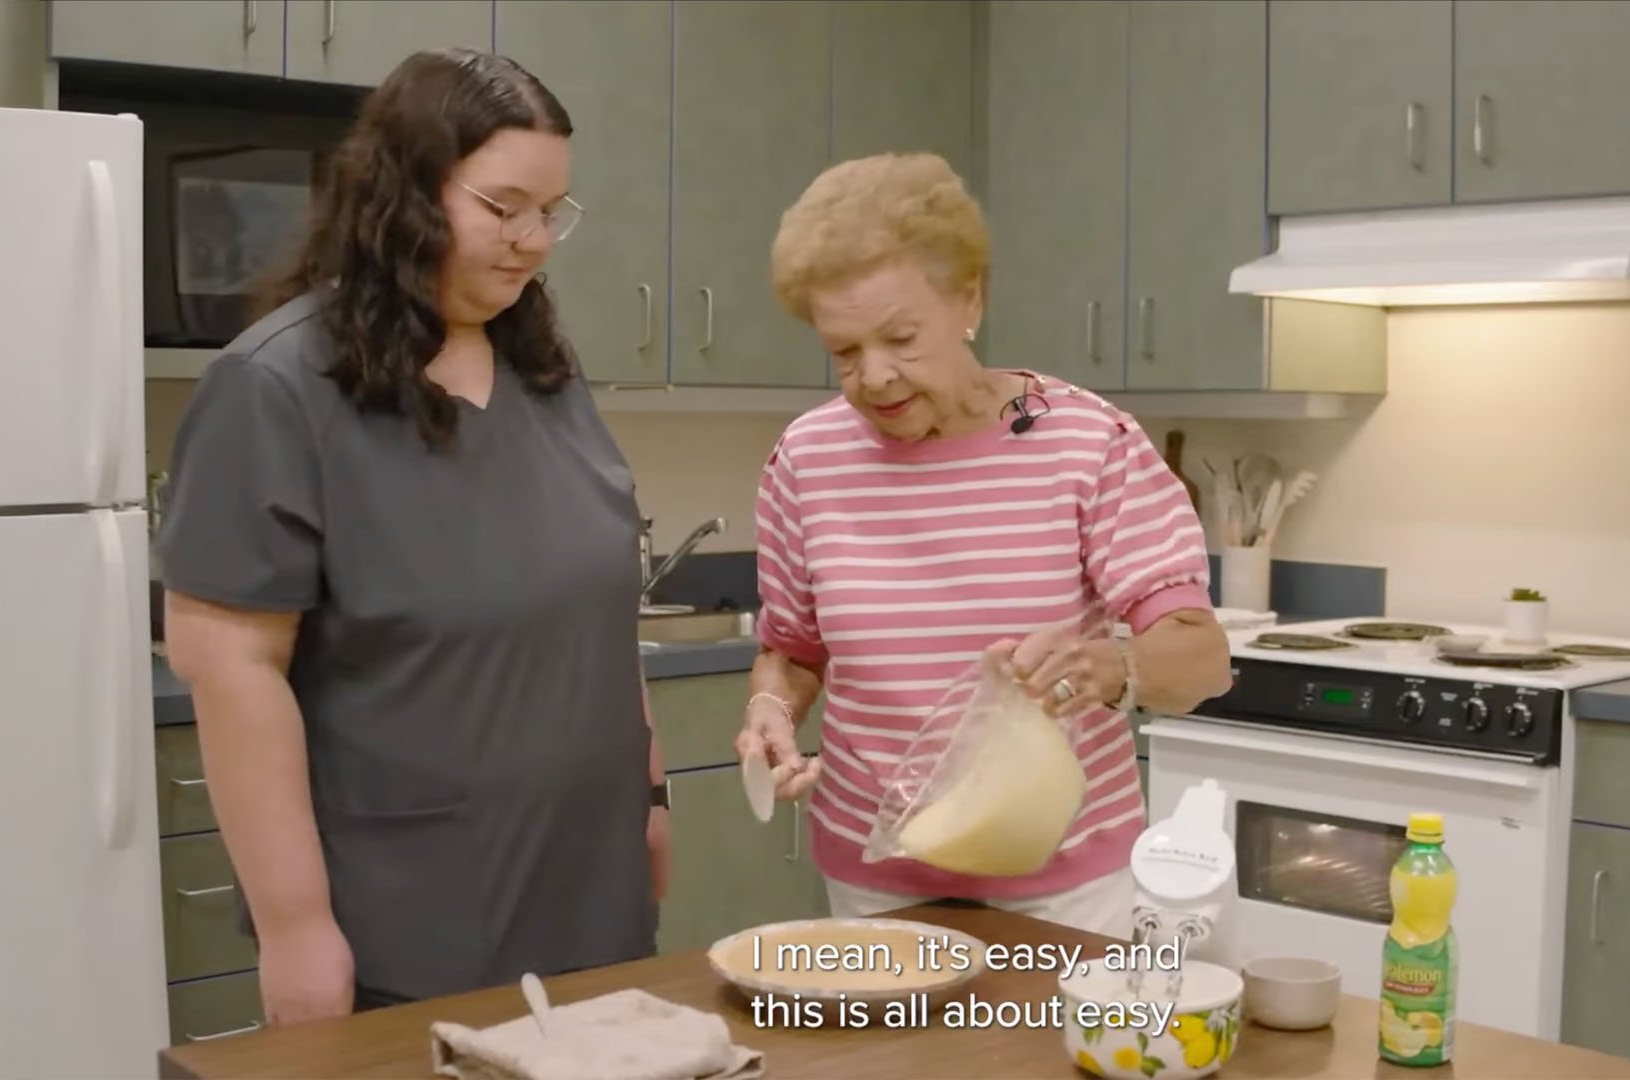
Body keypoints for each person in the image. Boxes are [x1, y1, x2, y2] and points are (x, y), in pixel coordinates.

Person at [156, 48, 669, 1026]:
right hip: (411, 923)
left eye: (551, 212)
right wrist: (298, 926)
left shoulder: (546, 376)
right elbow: (230, 672)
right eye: (503, 205)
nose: (533, 241)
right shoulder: (276, 390)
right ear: (405, 195)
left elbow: (600, 608)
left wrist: (651, 801)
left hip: (592, 901)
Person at [734, 152, 1233, 938]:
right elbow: (793, 649)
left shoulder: (1088, 443)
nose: (875, 377)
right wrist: (768, 708)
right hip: (876, 883)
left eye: (901, 338)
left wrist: (1109, 666)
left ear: (969, 298)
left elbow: (1201, 660)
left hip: (1066, 884)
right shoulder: (808, 458)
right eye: (844, 352)